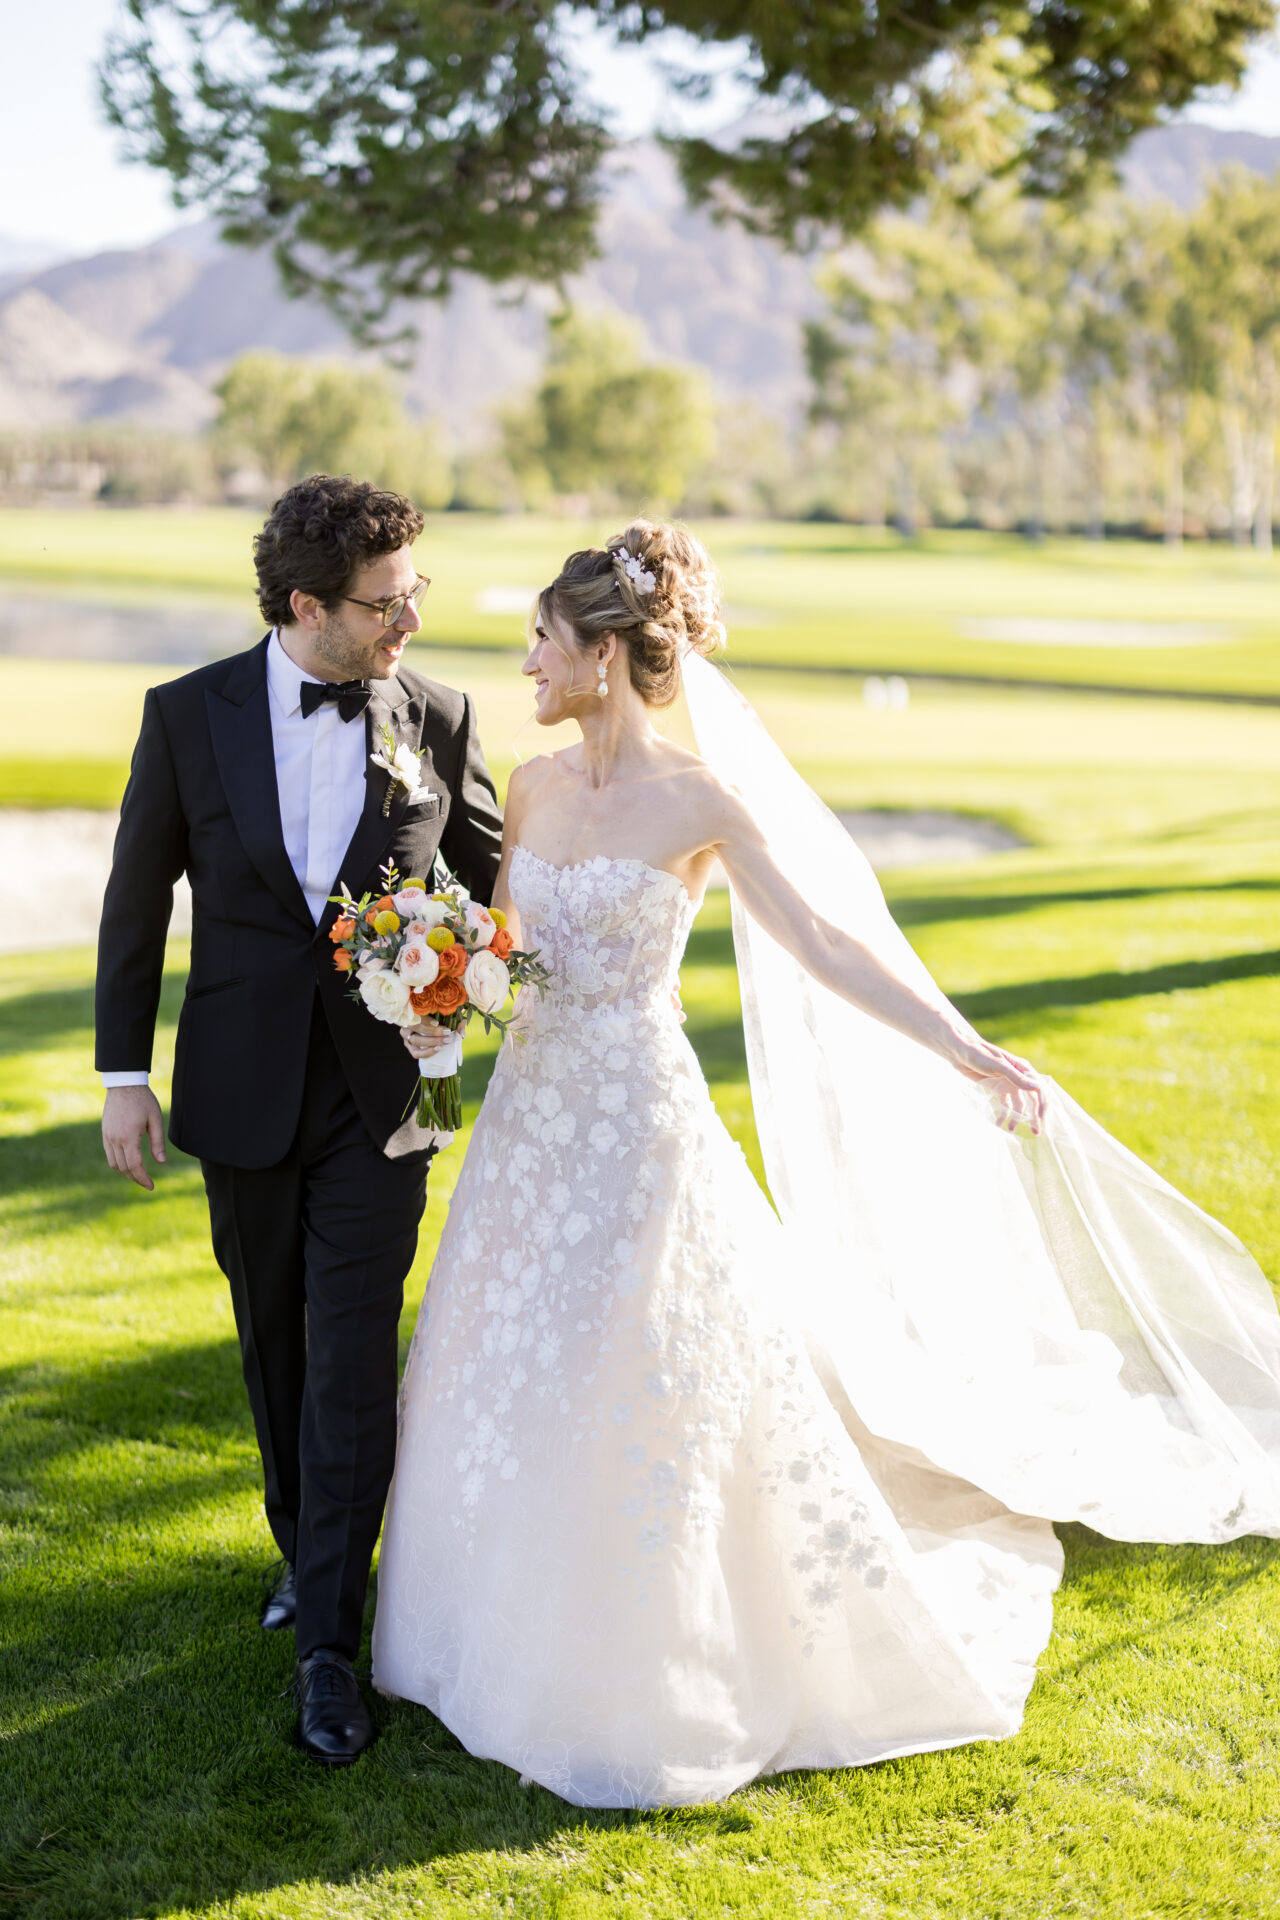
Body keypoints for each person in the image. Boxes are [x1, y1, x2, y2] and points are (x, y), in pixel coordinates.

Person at [372, 518, 1280, 1808]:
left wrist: (966, 1048)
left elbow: (823, 943)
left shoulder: (701, 801)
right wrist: (442, 978)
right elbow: (512, 948)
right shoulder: (529, 787)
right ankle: (482, 1617)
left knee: (641, 1360)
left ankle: (657, 1647)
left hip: (636, 1121)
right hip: (532, 1120)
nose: (526, 662)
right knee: (512, 1347)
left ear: (610, 655)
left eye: (543, 641)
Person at [95, 474, 503, 1765]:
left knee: (349, 1352)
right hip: (240, 1084)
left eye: (416, 592)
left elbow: (496, 886)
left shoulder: (438, 715)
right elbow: (134, 899)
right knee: (272, 1341)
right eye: (389, 603)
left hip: (391, 1094)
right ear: (304, 605)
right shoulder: (186, 714)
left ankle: (331, 1642)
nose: (411, 622)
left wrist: (473, 981)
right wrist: (121, 1076)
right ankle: (304, 1547)